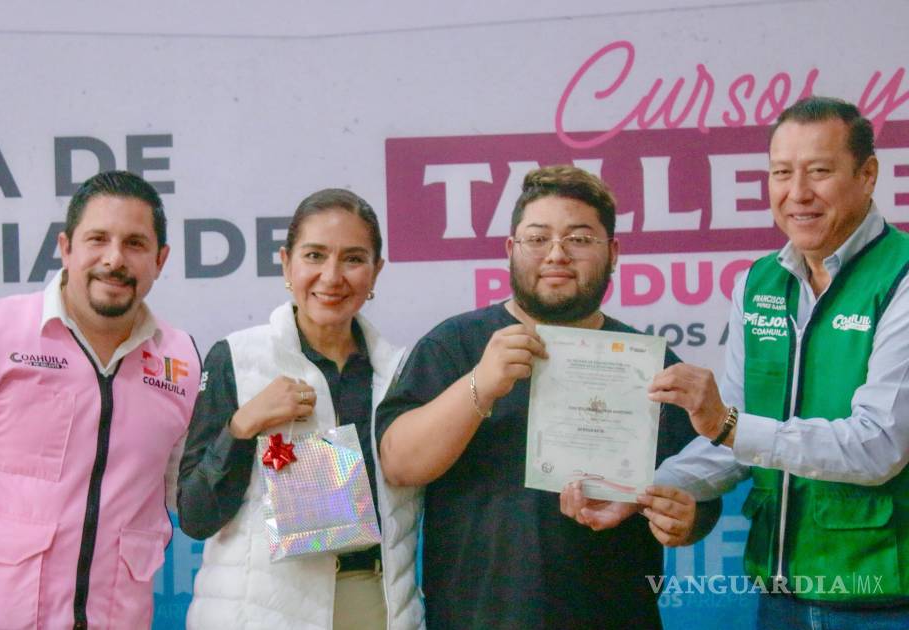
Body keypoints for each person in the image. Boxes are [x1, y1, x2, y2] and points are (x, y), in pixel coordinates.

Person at [375, 165, 719, 629]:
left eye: (579, 239)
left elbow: (700, 482)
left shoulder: (647, 362)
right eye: (537, 238)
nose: (557, 254)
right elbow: (399, 464)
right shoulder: (455, 345)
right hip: (478, 618)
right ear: (510, 250)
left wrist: (688, 518)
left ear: (613, 252)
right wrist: (481, 384)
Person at [0, 171, 199, 630]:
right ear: (66, 247)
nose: (114, 259)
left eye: (135, 244)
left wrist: (263, 447)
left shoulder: (180, 363)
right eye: (97, 239)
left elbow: (195, 499)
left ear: (160, 259)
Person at [646, 97, 909, 627]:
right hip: (778, 596)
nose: (798, 193)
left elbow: (879, 445)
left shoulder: (901, 276)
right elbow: (734, 439)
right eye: (782, 173)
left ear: (867, 175)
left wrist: (728, 426)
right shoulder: (758, 282)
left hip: (883, 597)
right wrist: (645, 490)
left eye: (820, 171)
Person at [178, 189, 423, 630]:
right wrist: (242, 426)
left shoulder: (401, 373)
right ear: (286, 263)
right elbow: (196, 517)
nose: (332, 276)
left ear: (376, 271)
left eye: (353, 259)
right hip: (259, 615)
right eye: (314, 255)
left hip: (377, 606)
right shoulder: (239, 357)